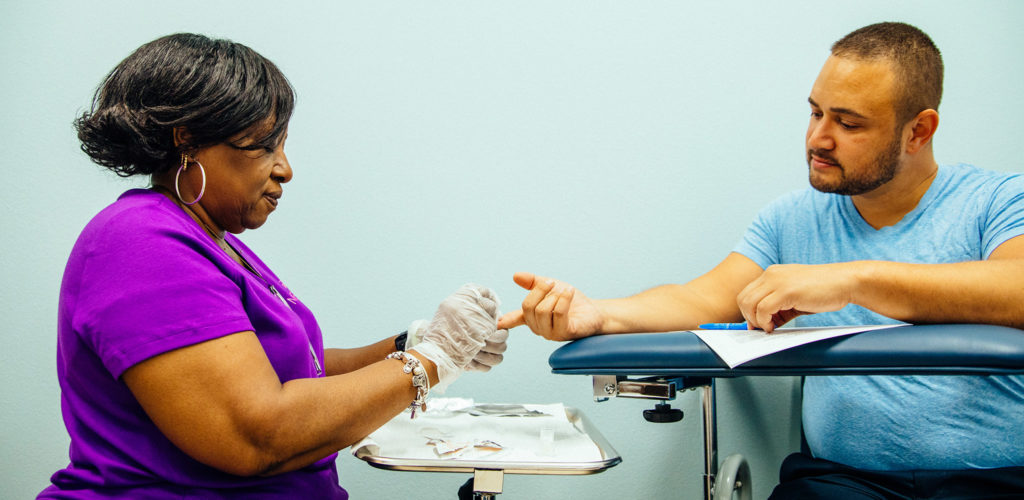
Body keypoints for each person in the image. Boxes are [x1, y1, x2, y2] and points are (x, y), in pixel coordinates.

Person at [498, 22, 1024, 499]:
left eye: (848, 123)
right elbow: (701, 298)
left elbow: (1016, 286)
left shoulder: (996, 202)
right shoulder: (791, 220)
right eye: (816, 111)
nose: (818, 138)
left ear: (919, 130)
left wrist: (852, 280)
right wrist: (601, 316)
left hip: (994, 482)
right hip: (841, 483)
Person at [40, 33, 507, 499]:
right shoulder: (140, 242)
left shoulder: (213, 240)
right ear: (187, 140)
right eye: (264, 146)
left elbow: (294, 372)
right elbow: (256, 437)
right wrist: (431, 360)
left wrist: (414, 343)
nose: (285, 169)